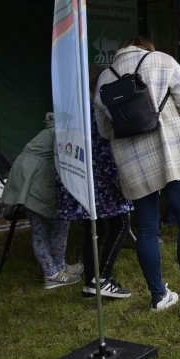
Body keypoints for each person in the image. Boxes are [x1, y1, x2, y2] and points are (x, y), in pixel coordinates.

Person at [95, 36, 180, 317]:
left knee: (146, 230)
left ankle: (159, 297)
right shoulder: (163, 61)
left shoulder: (105, 78)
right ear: (147, 48)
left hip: (133, 164)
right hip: (169, 155)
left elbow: (105, 131)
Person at [56, 67, 133, 299]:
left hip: (78, 180)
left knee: (93, 228)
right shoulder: (97, 112)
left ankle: (91, 282)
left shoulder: (74, 111)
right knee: (120, 224)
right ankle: (103, 280)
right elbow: (103, 152)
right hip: (101, 182)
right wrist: (120, 179)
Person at [2, 113, 83, 289]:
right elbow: (68, 161)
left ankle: (58, 268)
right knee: (59, 224)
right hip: (34, 184)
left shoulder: (53, 130)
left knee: (42, 229)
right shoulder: (61, 133)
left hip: (26, 183)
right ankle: (52, 274)